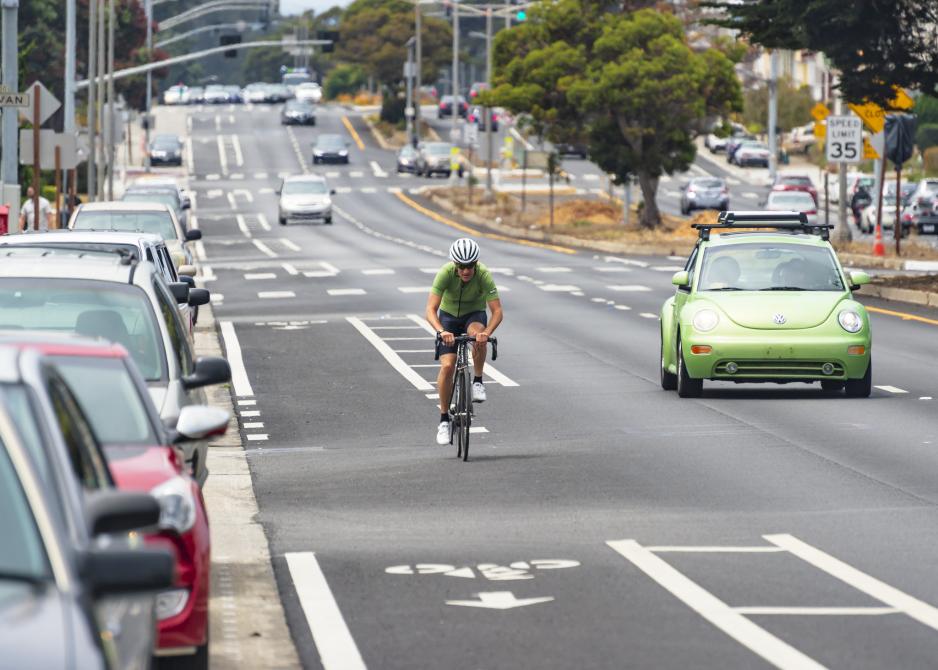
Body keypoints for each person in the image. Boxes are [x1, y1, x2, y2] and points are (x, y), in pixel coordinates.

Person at [425, 238, 503, 446]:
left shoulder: (484, 274)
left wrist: (487, 332)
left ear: (476, 264)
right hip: (449, 317)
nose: (466, 270)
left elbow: (497, 311)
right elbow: (430, 310)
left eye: (470, 266)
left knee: (478, 336)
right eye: (461, 266)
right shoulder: (445, 273)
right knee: (448, 365)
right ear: (455, 265)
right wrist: (441, 331)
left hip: (473, 315)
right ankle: (443, 420)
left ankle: (477, 380)